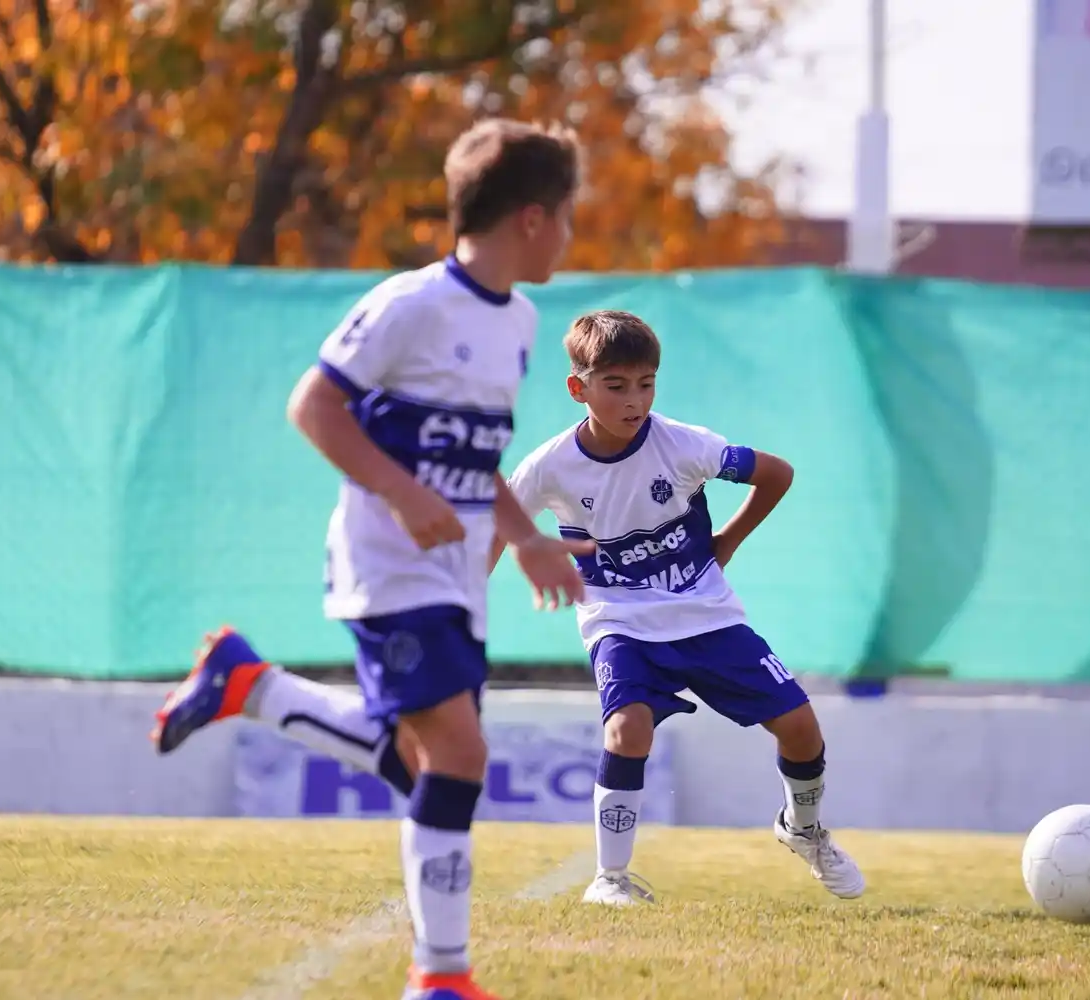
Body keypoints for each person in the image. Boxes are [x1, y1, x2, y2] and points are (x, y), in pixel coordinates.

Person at [151, 118, 591, 1000]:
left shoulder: (521, 322)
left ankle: (251, 688)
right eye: (570, 216)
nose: (573, 234)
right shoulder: (410, 304)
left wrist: (527, 535)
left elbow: (470, 457)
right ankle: (442, 976)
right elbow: (315, 407)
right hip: (387, 565)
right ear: (534, 218)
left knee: (427, 764)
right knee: (461, 756)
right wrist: (403, 493)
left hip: (459, 575)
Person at [498, 309, 865, 906]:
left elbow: (776, 473)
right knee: (626, 728)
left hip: (706, 612)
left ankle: (803, 828)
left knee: (800, 728)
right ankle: (609, 879)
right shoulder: (549, 466)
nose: (633, 399)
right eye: (615, 386)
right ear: (578, 388)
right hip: (618, 619)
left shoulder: (684, 444)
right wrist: (464, 606)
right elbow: (500, 525)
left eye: (645, 384)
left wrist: (729, 542)